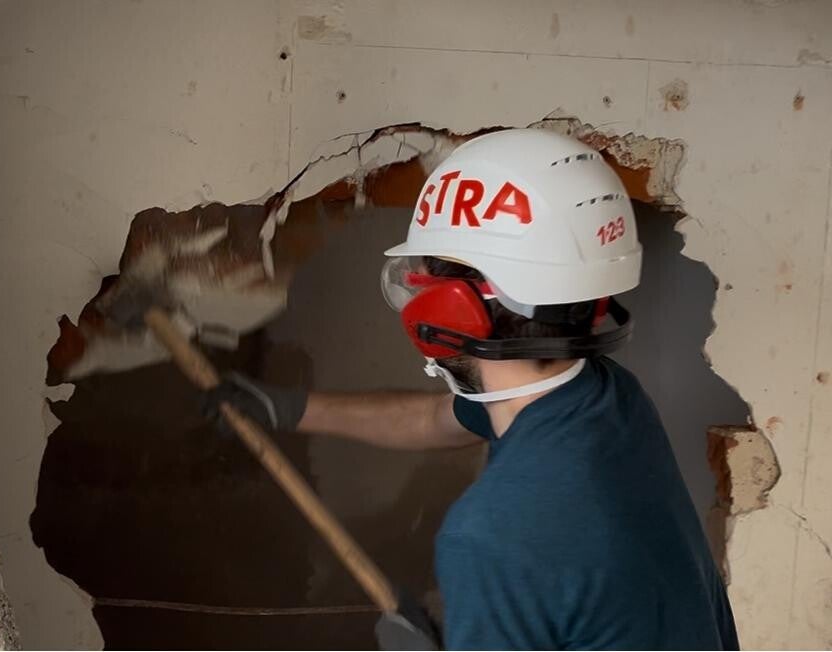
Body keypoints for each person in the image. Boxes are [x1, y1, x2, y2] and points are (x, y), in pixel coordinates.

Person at [203, 129, 738, 650]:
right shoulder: (608, 400)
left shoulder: (490, 534)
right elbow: (437, 420)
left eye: (422, 279)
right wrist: (291, 408)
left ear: (452, 309)